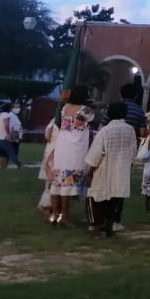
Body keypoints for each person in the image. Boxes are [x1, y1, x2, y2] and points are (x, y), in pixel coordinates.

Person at [85, 101, 138, 239]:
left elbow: (96, 154)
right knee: (114, 200)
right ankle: (109, 228)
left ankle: (95, 230)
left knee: (95, 199)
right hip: (121, 172)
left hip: (104, 171)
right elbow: (133, 153)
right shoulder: (130, 130)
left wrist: (90, 172)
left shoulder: (105, 131)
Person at [46, 90, 95, 226]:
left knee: (58, 182)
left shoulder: (65, 108)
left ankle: (55, 214)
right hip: (76, 148)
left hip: (63, 146)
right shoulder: (86, 110)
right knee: (69, 184)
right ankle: (65, 217)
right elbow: (91, 119)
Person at [0, 102, 21, 170]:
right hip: (2, 138)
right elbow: (6, 125)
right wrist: (8, 134)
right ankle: (19, 164)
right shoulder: (6, 115)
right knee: (11, 153)